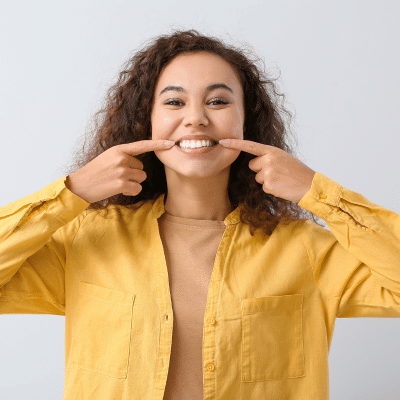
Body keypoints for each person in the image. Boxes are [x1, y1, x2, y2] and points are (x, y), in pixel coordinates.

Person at [1, 29, 399, 400]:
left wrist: (318, 192)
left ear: (247, 122)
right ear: (147, 120)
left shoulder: (304, 249)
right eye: (174, 101)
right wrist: (74, 191)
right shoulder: (86, 240)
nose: (196, 118)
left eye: (218, 101)